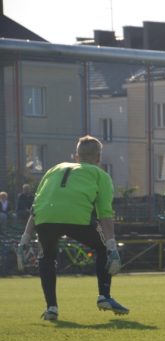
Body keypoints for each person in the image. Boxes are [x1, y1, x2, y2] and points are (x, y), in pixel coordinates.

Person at [15, 135, 128, 320]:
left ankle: (51, 308)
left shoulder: (54, 170)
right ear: (99, 158)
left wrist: (24, 240)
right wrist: (112, 248)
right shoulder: (100, 175)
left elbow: (36, 207)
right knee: (103, 248)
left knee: (46, 257)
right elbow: (105, 215)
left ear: (76, 156)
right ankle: (104, 296)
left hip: (46, 218)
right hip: (77, 218)